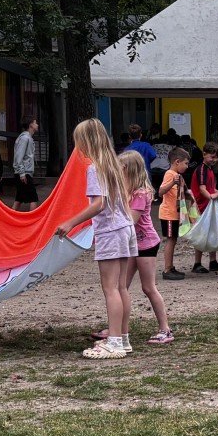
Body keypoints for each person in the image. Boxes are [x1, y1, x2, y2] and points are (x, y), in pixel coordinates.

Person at [54, 118, 136, 360]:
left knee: (110, 288)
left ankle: (114, 342)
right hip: (124, 228)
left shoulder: (94, 168)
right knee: (121, 287)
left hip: (110, 231)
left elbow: (99, 204)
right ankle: (122, 339)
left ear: (86, 142)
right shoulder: (114, 165)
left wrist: (71, 222)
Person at [119, 149, 174, 343]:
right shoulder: (127, 192)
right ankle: (116, 328)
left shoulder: (141, 193)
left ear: (129, 170)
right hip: (133, 244)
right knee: (120, 287)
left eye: (120, 168)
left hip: (146, 245)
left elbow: (130, 220)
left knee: (148, 287)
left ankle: (165, 329)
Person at [188, 140, 218, 274]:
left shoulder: (209, 170)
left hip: (208, 206)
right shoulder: (201, 170)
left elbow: (211, 189)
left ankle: (213, 261)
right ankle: (197, 263)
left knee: (212, 232)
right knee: (200, 235)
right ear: (204, 154)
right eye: (212, 157)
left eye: (216, 157)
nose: (214, 160)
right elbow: (203, 189)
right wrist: (212, 198)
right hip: (200, 207)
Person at [157, 147, 190, 279]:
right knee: (170, 240)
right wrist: (172, 182)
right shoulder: (170, 174)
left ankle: (171, 267)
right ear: (177, 162)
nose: (187, 166)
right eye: (185, 163)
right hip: (168, 214)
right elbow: (160, 192)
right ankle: (167, 269)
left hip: (174, 214)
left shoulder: (178, 176)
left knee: (174, 239)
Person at [12, 113, 42, 208]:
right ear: (31, 125)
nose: (37, 125)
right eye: (35, 123)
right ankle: (33, 217)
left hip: (23, 173)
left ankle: (10, 216)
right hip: (24, 173)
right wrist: (22, 173)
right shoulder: (25, 138)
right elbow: (19, 157)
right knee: (33, 198)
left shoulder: (26, 138)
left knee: (19, 199)